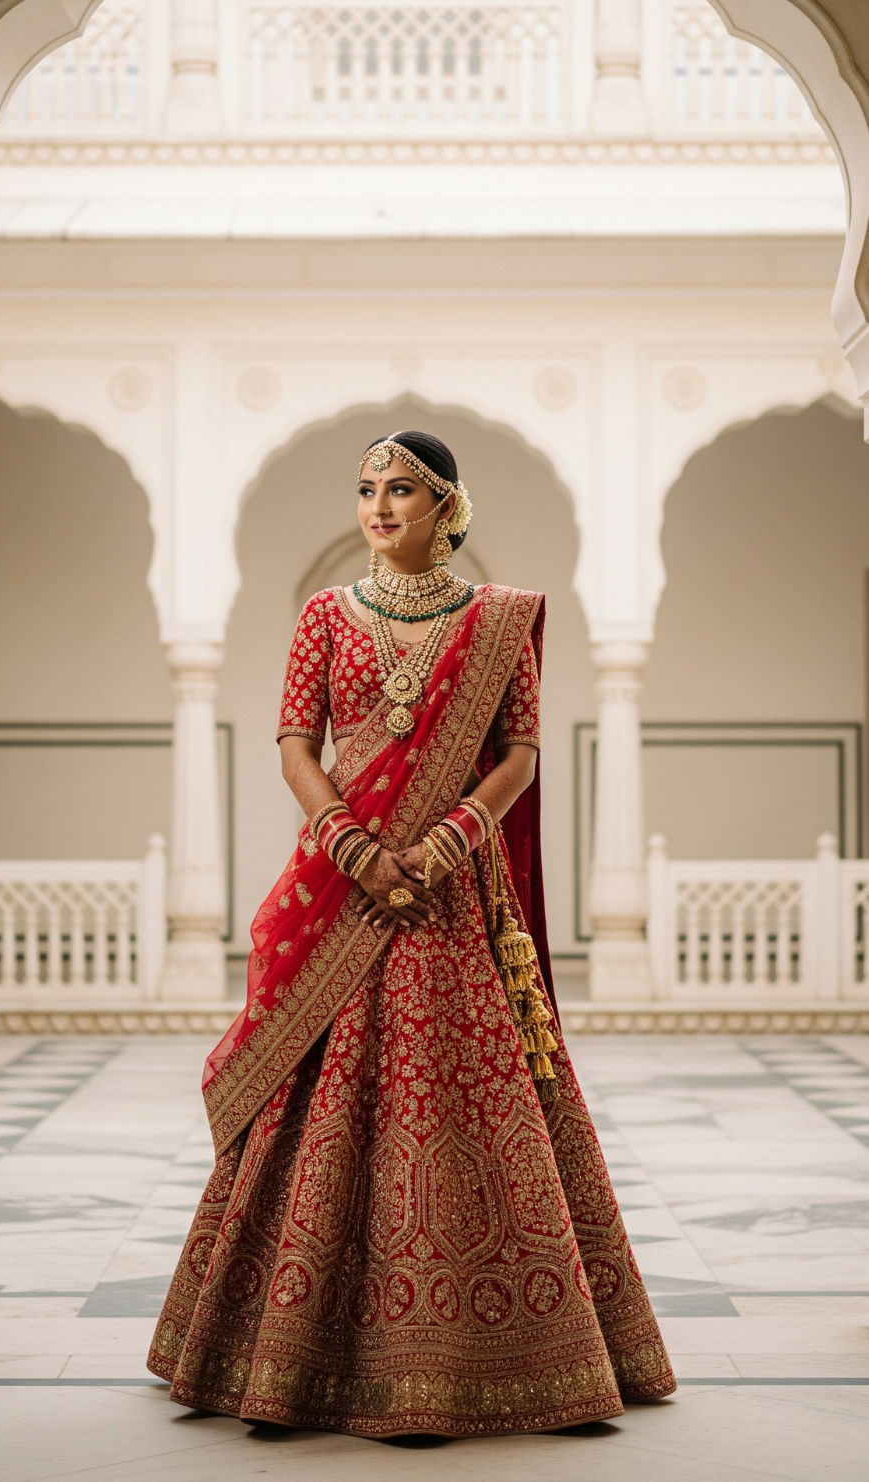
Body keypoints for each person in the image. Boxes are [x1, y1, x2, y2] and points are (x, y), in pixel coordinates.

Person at [148, 430, 676, 1437]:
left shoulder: (497, 619)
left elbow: (518, 752)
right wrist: (349, 844)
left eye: (402, 490)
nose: (380, 506)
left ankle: (531, 1362)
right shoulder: (323, 616)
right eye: (366, 490)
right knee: (323, 1085)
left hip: (448, 896)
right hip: (345, 885)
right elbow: (294, 744)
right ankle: (287, 1357)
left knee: (463, 1089)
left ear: (447, 507)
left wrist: (442, 845)